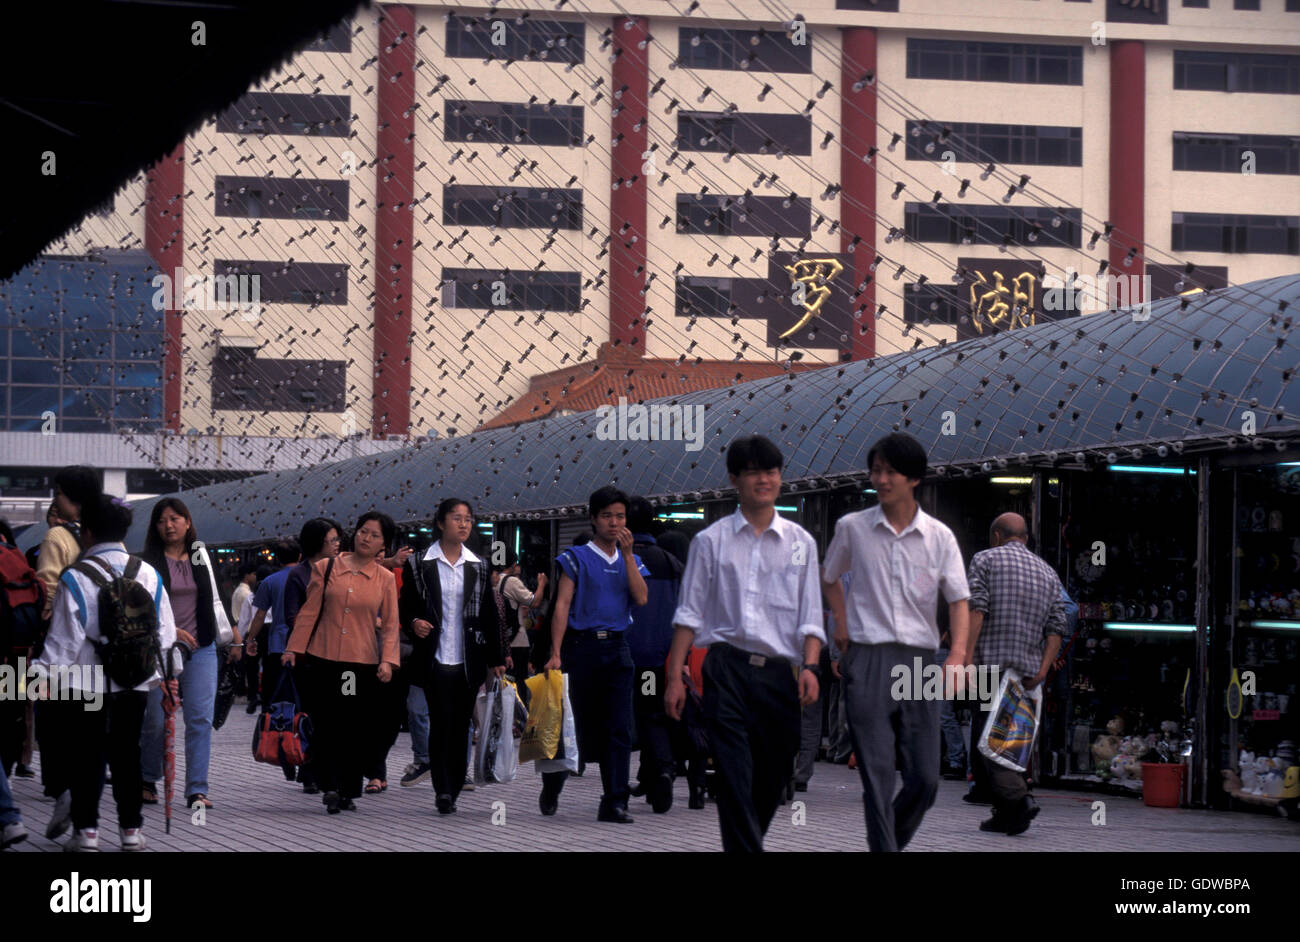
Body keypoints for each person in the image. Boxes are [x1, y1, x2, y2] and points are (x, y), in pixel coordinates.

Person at [666, 436, 824, 851]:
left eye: (771, 471)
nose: (764, 479)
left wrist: (810, 666)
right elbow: (688, 613)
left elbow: (811, 614)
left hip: (778, 677)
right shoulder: (711, 542)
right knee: (734, 776)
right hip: (726, 670)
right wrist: (674, 676)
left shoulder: (800, 544)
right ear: (735, 478)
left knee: (772, 780)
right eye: (753, 471)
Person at [822, 432, 970, 853]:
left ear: (914, 479)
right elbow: (829, 577)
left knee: (925, 779)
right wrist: (842, 623)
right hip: (867, 658)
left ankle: (889, 843)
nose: (881, 479)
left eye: (890, 471)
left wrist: (957, 655)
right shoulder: (852, 528)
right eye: (876, 470)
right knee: (877, 772)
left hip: (919, 663)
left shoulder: (939, 537)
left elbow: (959, 600)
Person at [34, 494, 179, 851]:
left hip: (85, 683)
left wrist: (37, 679)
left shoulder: (76, 576)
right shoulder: (147, 572)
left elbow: (64, 642)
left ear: (87, 532)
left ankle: (87, 833)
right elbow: (165, 633)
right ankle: (131, 832)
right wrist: (168, 675)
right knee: (128, 753)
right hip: (136, 681)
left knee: (87, 755)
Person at [541, 487, 649, 823]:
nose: (614, 523)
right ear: (593, 518)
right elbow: (562, 604)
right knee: (570, 724)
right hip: (581, 648)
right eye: (607, 516)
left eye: (619, 516)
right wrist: (555, 652)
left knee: (619, 728)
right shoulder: (576, 558)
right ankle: (553, 781)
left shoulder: (632, 559)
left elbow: (642, 598)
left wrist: (629, 557)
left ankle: (615, 801)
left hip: (618, 649)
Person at [284, 512, 400, 814]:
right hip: (322, 659)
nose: (366, 538)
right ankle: (330, 786)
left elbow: (390, 625)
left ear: (383, 545)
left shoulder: (385, 579)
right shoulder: (327, 567)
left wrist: (387, 660)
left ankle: (348, 789)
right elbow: (309, 612)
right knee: (324, 723)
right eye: (363, 531)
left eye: (374, 535)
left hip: (356, 664)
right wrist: (293, 649)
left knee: (352, 725)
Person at [400, 499, 503, 815]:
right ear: (441, 523)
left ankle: (453, 787)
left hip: (468, 657)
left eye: (468, 519)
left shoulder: (480, 566)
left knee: (461, 727)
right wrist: (414, 622)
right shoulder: (419, 563)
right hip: (434, 656)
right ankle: (442, 788)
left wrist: (497, 657)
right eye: (456, 518)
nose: (463, 524)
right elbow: (406, 606)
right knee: (441, 723)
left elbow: (489, 613)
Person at [965, 512, 1066, 836]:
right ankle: (1006, 814)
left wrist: (965, 657)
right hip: (1026, 674)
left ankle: (1020, 800)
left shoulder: (985, 559)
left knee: (990, 742)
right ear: (1025, 537)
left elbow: (977, 609)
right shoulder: (1048, 573)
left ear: (996, 535)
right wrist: (1043, 669)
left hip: (990, 666)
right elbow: (1056, 628)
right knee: (1012, 739)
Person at [140, 497, 239, 812]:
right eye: (162, 520)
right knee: (155, 718)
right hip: (161, 649)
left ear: (187, 521)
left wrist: (234, 631)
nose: (169, 525)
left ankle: (197, 789)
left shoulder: (201, 554)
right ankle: (148, 778)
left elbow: (216, 594)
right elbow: (143, 607)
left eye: (175, 518)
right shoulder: (148, 562)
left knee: (199, 718)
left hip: (202, 647)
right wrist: (169, 631)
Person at [32, 467, 102, 837]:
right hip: (100, 653)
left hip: (62, 648)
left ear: (67, 495)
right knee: (88, 733)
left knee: (53, 725)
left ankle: (63, 793)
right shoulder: (99, 534)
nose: (54, 499)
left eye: (57, 492)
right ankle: (84, 827)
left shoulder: (57, 535)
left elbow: (47, 588)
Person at [624, 496, 686, 813]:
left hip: (623, 658)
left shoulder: (621, 560)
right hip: (659, 661)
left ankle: (624, 783)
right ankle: (659, 770)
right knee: (653, 715)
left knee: (621, 719)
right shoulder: (672, 564)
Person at [492, 550, 547, 705]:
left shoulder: (493, 580)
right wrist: (542, 584)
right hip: (517, 640)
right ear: (513, 564)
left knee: (502, 681)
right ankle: (519, 719)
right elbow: (534, 601)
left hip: (501, 639)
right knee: (519, 682)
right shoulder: (512, 582)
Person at [231, 563, 260, 711]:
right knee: (251, 668)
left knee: (248, 667)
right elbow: (247, 617)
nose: (254, 577)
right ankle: (250, 695)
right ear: (246, 575)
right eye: (252, 573)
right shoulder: (246, 594)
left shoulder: (241, 591)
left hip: (243, 631)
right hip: (248, 631)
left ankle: (249, 694)